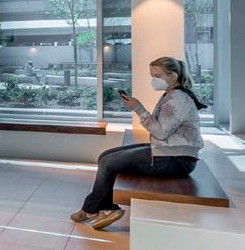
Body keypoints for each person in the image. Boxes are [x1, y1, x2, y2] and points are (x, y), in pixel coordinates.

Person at [71, 56, 205, 230]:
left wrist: (138, 109)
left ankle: (93, 209)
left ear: (173, 76)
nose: (153, 80)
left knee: (108, 162)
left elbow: (160, 132)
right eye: (152, 75)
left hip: (176, 160)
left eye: (157, 76)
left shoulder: (178, 99)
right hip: (169, 151)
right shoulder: (172, 95)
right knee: (106, 156)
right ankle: (104, 208)